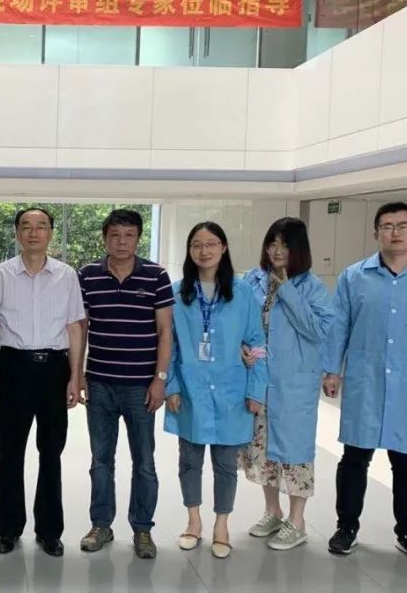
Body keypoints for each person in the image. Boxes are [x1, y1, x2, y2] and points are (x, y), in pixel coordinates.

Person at [323, 202, 407, 565]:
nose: (394, 232)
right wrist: (332, 370)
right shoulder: (354, 277)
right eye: (387, 226)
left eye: (402, 225)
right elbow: (339, 325)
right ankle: (346, 528)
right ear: (375, 232)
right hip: (365, 382)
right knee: (354, 459)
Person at [0, 207, 86, 558]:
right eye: (26, 226)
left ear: (50, 233)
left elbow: (75, 328)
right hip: (13, 367)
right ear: (17, 233)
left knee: (51, 452)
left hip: (54, 369)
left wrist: (75, 376)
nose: (33, 232)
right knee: (10, 451)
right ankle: (8, 529)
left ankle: (49, 531)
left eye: (41, 226)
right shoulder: (2, 274)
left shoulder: (66, 276)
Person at [163, 222, 267, 560]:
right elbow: (169, 345)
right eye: (197, 244)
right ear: (189, 251)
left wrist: (256, 389)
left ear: (223, 248)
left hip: (231, 390)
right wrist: (171, 386)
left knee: (225, 463)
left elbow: (257, 343)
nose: (204, 251)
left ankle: (222, 524)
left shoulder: (243, 292)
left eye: (211, 244)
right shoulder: (178, 292)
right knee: (189, 460)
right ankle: (193, 521)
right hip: (190, 388)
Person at [77, 209, 173, 559]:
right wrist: (77, 374)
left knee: (144, 461)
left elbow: (165, 331)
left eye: (129, 235)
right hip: (100, 383)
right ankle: (101, 524)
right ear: (105, 238)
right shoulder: (88, 275)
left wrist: (159, 380)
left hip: (140, 387)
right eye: (115, 235)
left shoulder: (156, 276)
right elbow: (81, 328)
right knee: (100, 460)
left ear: (138, 238)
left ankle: (143, 529)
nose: (122, 242)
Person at [237, 217, 332, 551]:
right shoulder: (252, 279)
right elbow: (239, 321)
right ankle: (273, 512)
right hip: (258, 381)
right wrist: (241, 347)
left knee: (294, 451)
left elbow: (319, 331)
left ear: (299, 249)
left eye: (285, 245)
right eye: (272, 243)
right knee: (263, 449)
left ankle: (297, 521)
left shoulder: (311, 287)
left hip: (293, 384)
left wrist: (286, 289)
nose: (277, 251)